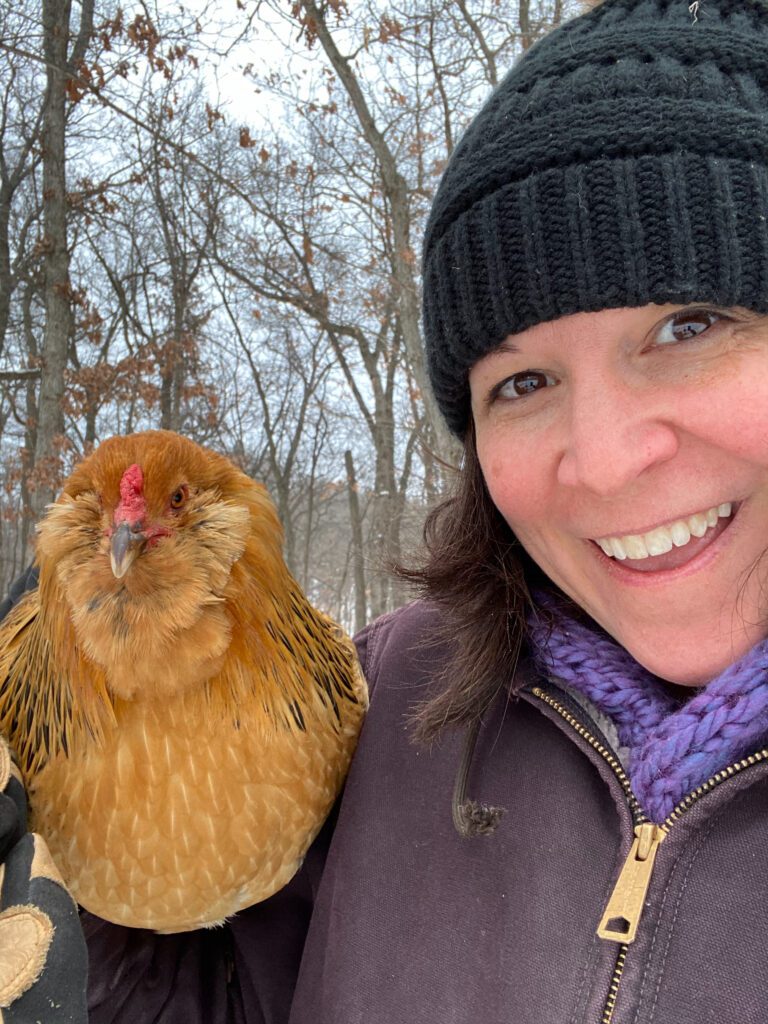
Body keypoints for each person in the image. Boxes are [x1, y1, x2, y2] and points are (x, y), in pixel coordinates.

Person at [5, 0, 768, 1019]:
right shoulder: (383, 703)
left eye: (688, 323)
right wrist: (93, 940)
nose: (606, 461)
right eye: (523, 382)